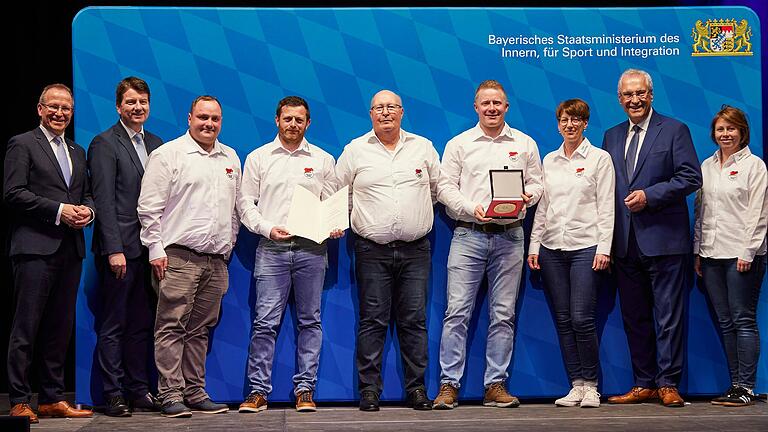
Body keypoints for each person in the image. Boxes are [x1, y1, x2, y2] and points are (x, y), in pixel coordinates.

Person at [433, 80, 543, 410]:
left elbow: (537, 183)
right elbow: (444, 188)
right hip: (468, 234)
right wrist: (470, 208)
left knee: (504, 315)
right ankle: (448, 385)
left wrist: (529, 195)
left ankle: (495, 385)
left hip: (511, 235)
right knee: (456, 313)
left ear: (506, 107)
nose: (492, 108)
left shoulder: (524, 143)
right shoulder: (459, 144)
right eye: (486, 103)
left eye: (498, 103)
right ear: (476, 107)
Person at [335, 90, 440, 412]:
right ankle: (369, 391)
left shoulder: (422, 147)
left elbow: (437, 190)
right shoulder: (354, 150)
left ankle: (417, 390)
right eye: (379, 108)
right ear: (371, 114)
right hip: (371, 251)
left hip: (416, 250)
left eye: (391, 107)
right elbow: (340, 195)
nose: (385, 113)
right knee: (373, 321)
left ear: (402, 112)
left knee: (414, 321)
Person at [602, 69, 702, 407]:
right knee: (634, 317)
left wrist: (651, 195)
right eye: (628, 95)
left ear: (651, 94)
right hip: (625, 243)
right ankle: (643, 382)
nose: (634, 100)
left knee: (669, 316)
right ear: (620, 99)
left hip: (665, 240)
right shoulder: (611, 136)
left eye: (640, 93)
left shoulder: (674, 130)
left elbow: (691, 177)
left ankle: (668, 383)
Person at [137, 95, 241, 418]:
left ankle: (194, 391)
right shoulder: (169, 155)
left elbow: (234, 210)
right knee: (171, 325)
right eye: (203, 117)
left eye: (215, 119)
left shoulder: (231, 157)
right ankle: (169, 393)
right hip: (177, 257)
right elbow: (148, 207)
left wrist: (229, 244)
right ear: (189, 118)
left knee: (200, 330)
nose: (209, 124)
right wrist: (155, 247)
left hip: (216, 260)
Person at [238, 96, 342, 414]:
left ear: (308, 123)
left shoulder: (323, 159)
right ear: (277, 120)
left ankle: (305, 391)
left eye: (299, 119)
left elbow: (333, 203)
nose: (293, 124)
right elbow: (245, 204)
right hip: (271, 248)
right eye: (288, 119)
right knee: (265, 323)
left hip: (312, 248)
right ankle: (258, 392)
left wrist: (334, 225)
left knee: (310, 322)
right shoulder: (258, 158)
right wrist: (268, 228)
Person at [4, 83, 95, 423]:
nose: (60, 113)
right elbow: (13, 193)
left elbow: (86, 193)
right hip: (34, 248)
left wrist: (88, 211)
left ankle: (52, 397)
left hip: (70, 249)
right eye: (53, 106)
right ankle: (19, 399)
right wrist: (59, 210)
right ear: (40, 109)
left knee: (59, 327)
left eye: (66, 109)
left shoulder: (77, 150)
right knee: (26, 327)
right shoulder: (23, 144)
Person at [527, 99, 615, 408]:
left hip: (586, 247)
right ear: (558, 124)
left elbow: (607, 207)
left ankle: (591, 386)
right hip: (552, 249)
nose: (570, 125)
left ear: (585, 123)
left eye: (576, 120)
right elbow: (543, 207)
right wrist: (534, 245)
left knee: (581, 318)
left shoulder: (599, 159)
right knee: (563, 320)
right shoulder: (549, 160)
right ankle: (576, 384)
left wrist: (605, 248)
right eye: (565, 120)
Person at [87, 76, 163, 416]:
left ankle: (138, 389)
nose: (138, 107)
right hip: (121, 252)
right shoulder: (104, 143)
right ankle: (113, 392)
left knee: (142, 324)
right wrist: (113, 249)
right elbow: (103, 200)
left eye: (143, 102)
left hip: (150, 251)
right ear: (119, 106)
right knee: (114, 324)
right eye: (131, 102)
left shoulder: (158, 144)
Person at [694, 106, 767, 407]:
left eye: (731, 129)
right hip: (711, 254)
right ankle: (735, 384)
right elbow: (701, 212)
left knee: (743, 319)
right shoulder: (706, 166)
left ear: (742, 132)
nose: (725, 135)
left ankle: (747, 387)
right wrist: (697, 251)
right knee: (726, 322)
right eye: (720, 130)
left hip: (742, 255)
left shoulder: (755, 166)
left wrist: (747, 251)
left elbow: (759, 214)